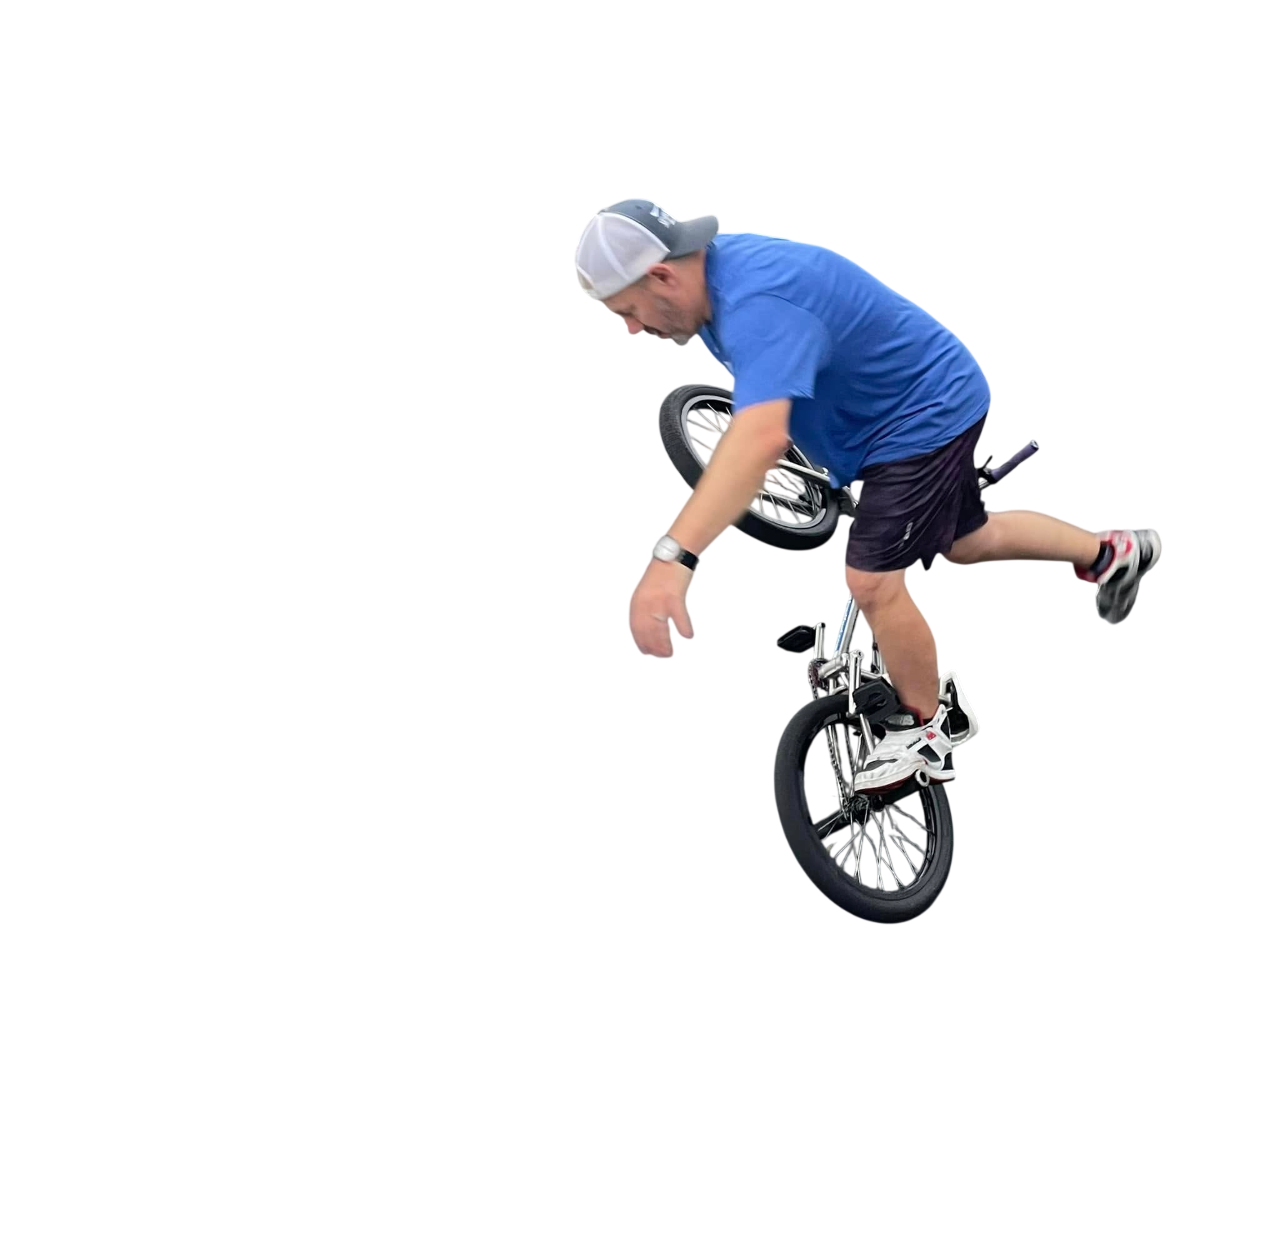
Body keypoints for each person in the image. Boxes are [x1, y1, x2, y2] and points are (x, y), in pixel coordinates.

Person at [576, 198, 1163, 794]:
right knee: (966, 539)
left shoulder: (757, 302)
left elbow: (759, 435)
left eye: (628, 310)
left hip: (921, 416)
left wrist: (673, 559)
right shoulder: (715, 282)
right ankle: (1111, 554)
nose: (635, 329)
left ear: (662, 276)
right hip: (908, 408)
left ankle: (932, 728)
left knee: (871, 579)